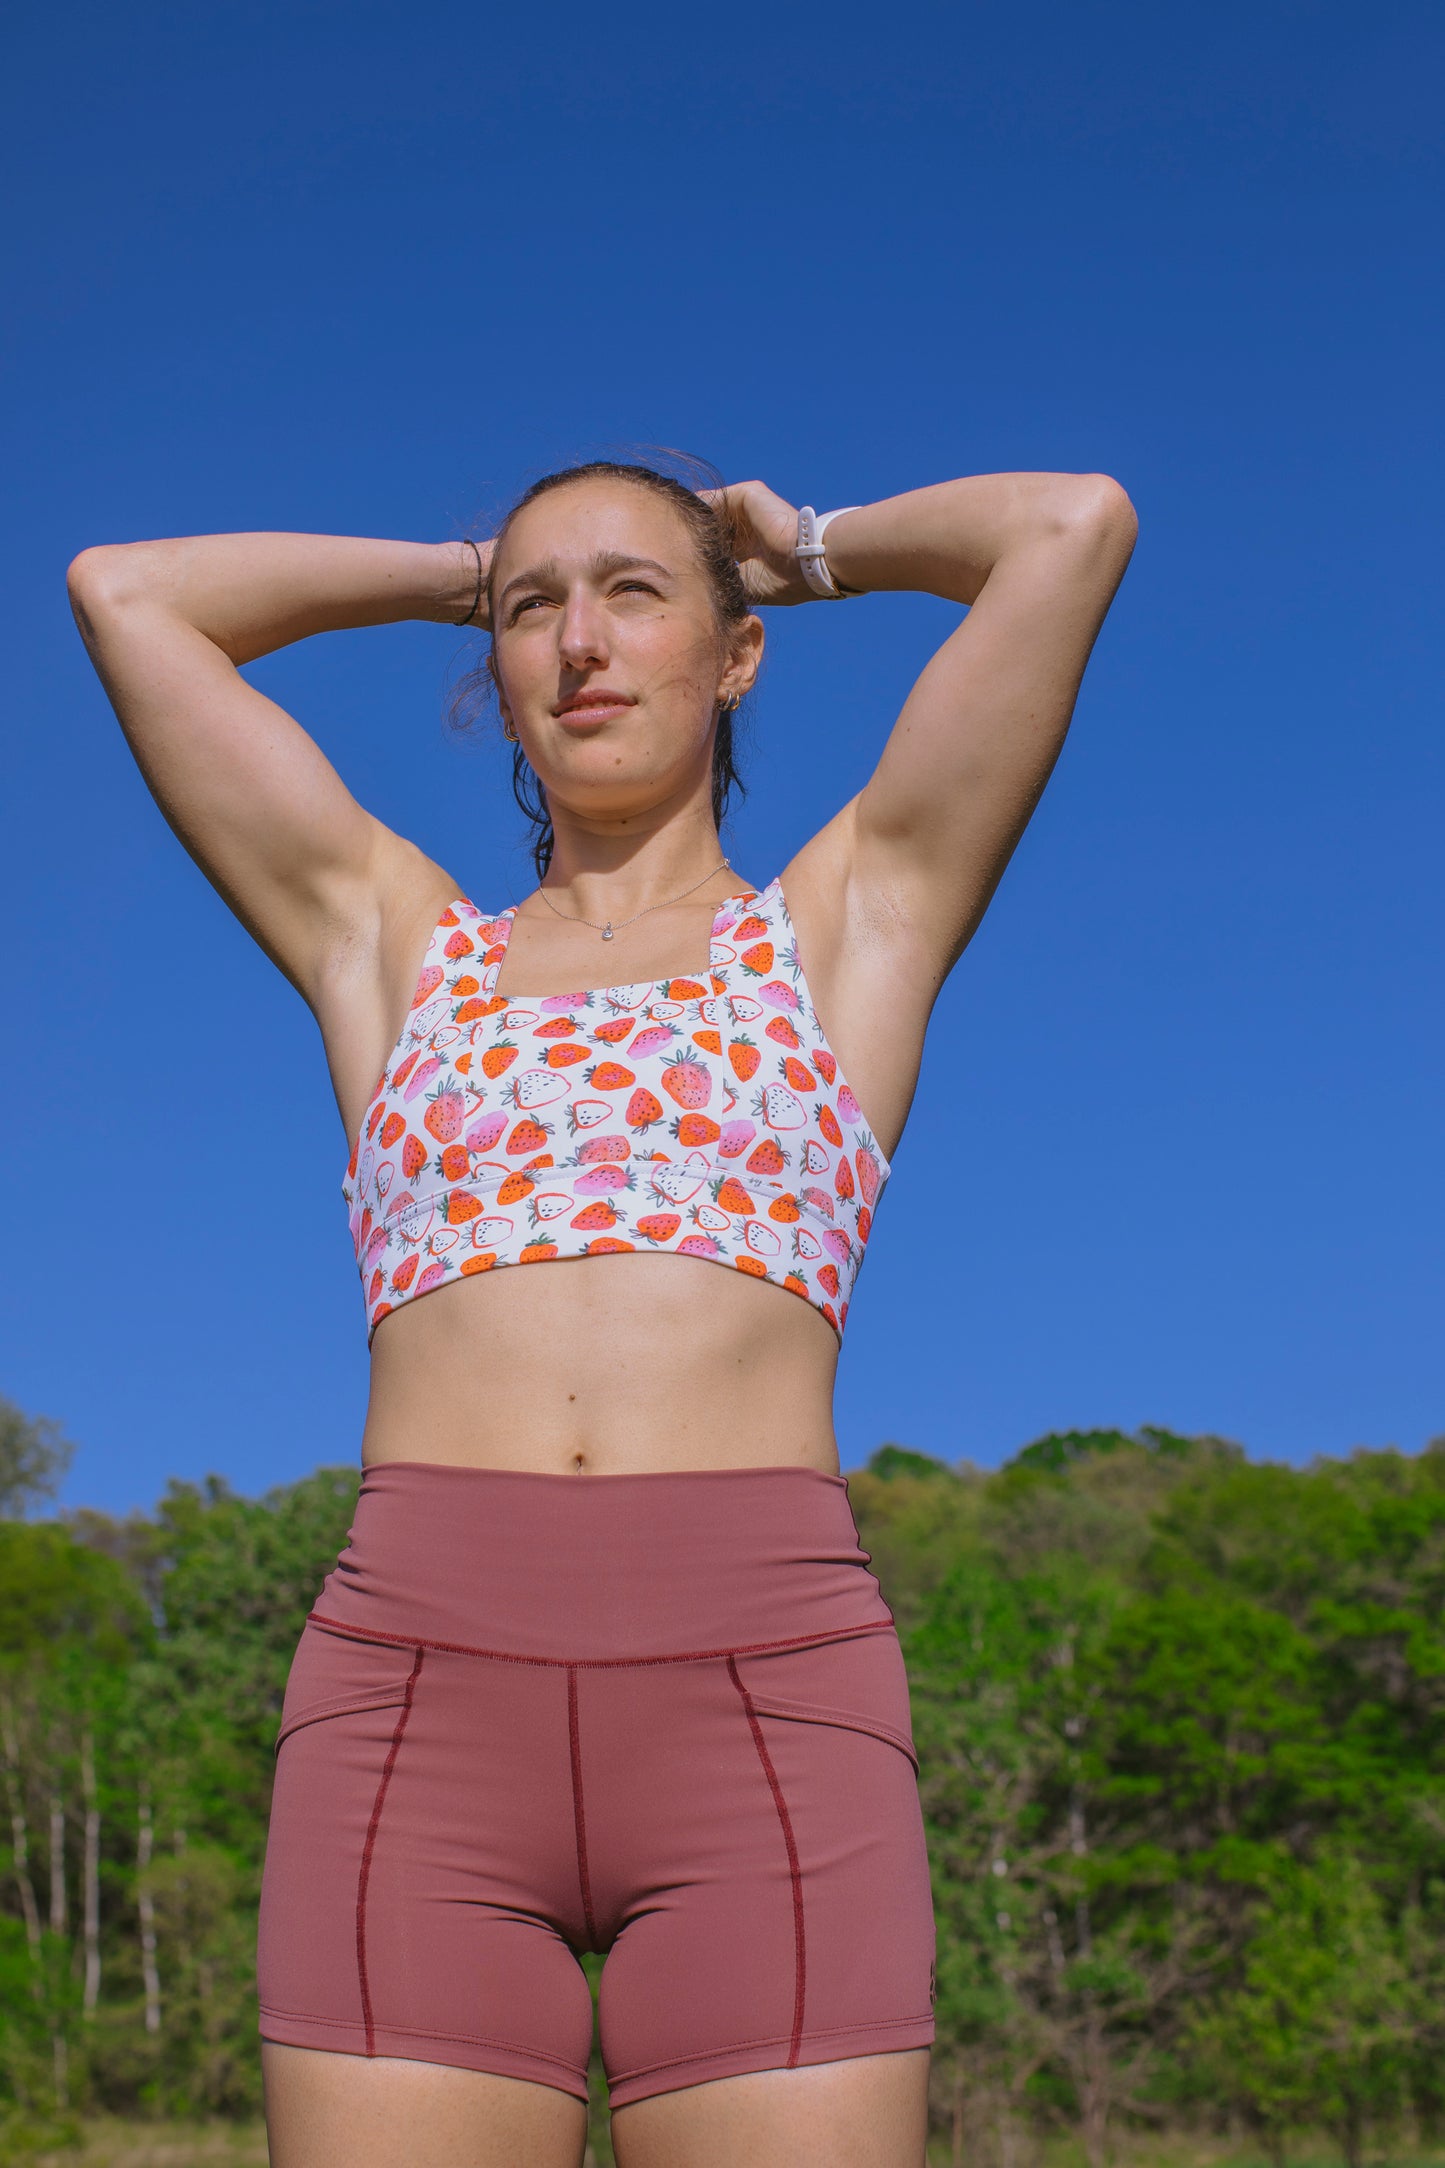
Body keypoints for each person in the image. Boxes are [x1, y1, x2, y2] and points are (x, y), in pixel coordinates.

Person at [68, 458, 1136, 2167]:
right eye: (532, 612)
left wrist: (787, 547)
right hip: (412, 1706)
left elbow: (1070, 525)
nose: (580, 642)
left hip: (765, 1705)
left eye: (635, 594)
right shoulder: (393, 950)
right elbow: (131, 592)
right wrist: (459, 569)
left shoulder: (846, 928)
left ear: (736, 655)